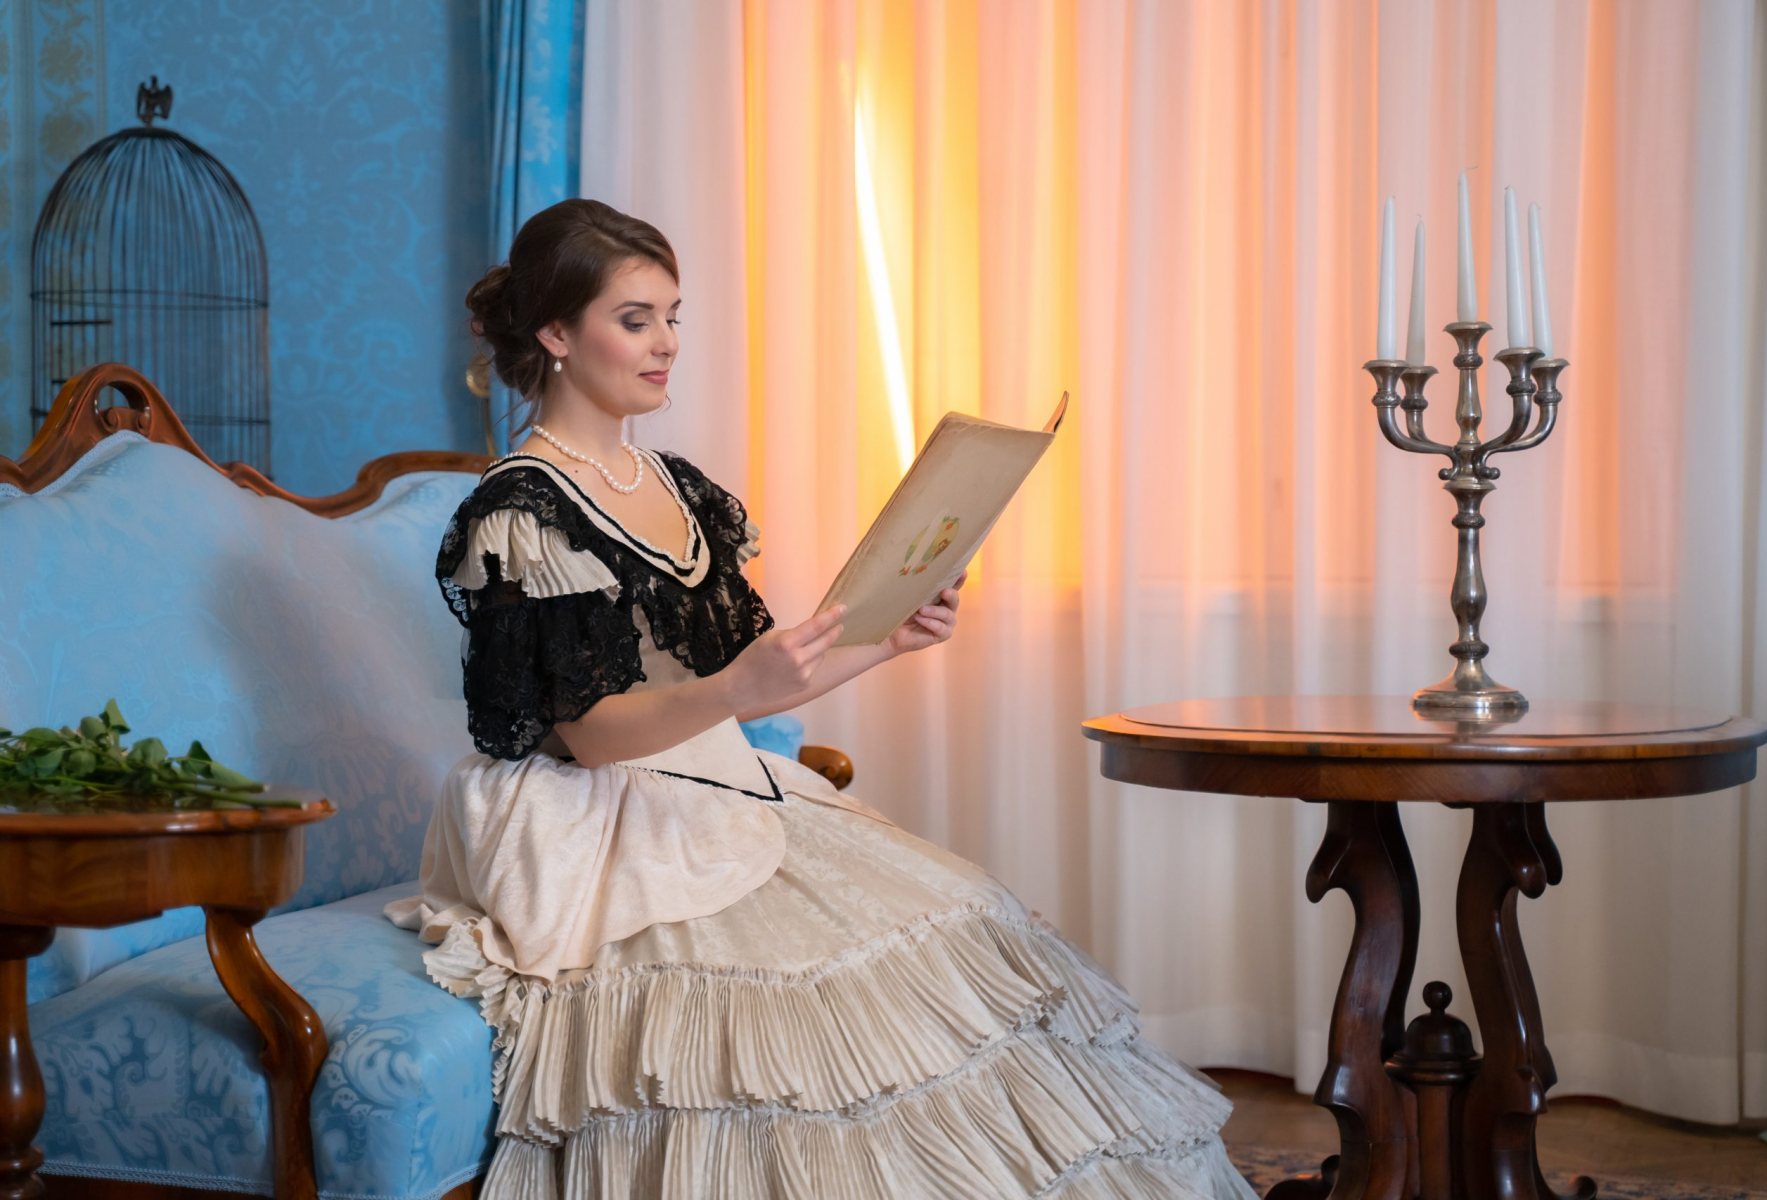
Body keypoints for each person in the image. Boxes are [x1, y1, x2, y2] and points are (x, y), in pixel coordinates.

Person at [386, 197, 1257, 1199]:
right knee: (795, 1020)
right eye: (636, 320)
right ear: (555, 333)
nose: (668, 343)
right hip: (597, 816)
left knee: (960, 917)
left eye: (674, 316)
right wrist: (735, 687)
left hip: (714, 782)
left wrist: (888, 639)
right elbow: (588, 736)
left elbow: (759, 676)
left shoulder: (677, 486)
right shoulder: (521, 507)